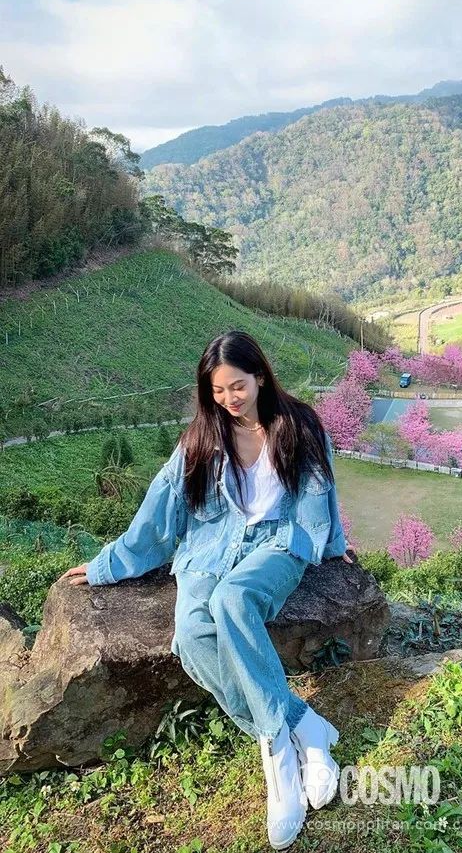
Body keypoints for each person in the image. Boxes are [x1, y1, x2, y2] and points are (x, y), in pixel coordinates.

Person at [61, 330, 355, 850]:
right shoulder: (201, 437)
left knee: (233, 599)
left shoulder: (299, 425)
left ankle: (278, 762)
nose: (229, 399)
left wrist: (332, 546)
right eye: (218, 391)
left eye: (237, 387)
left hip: (276, 544)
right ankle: (300, 725)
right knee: (193, 636)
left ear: (260, 376)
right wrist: (111, 563)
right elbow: (161, 512)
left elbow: (319, 495)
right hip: (210, 546)